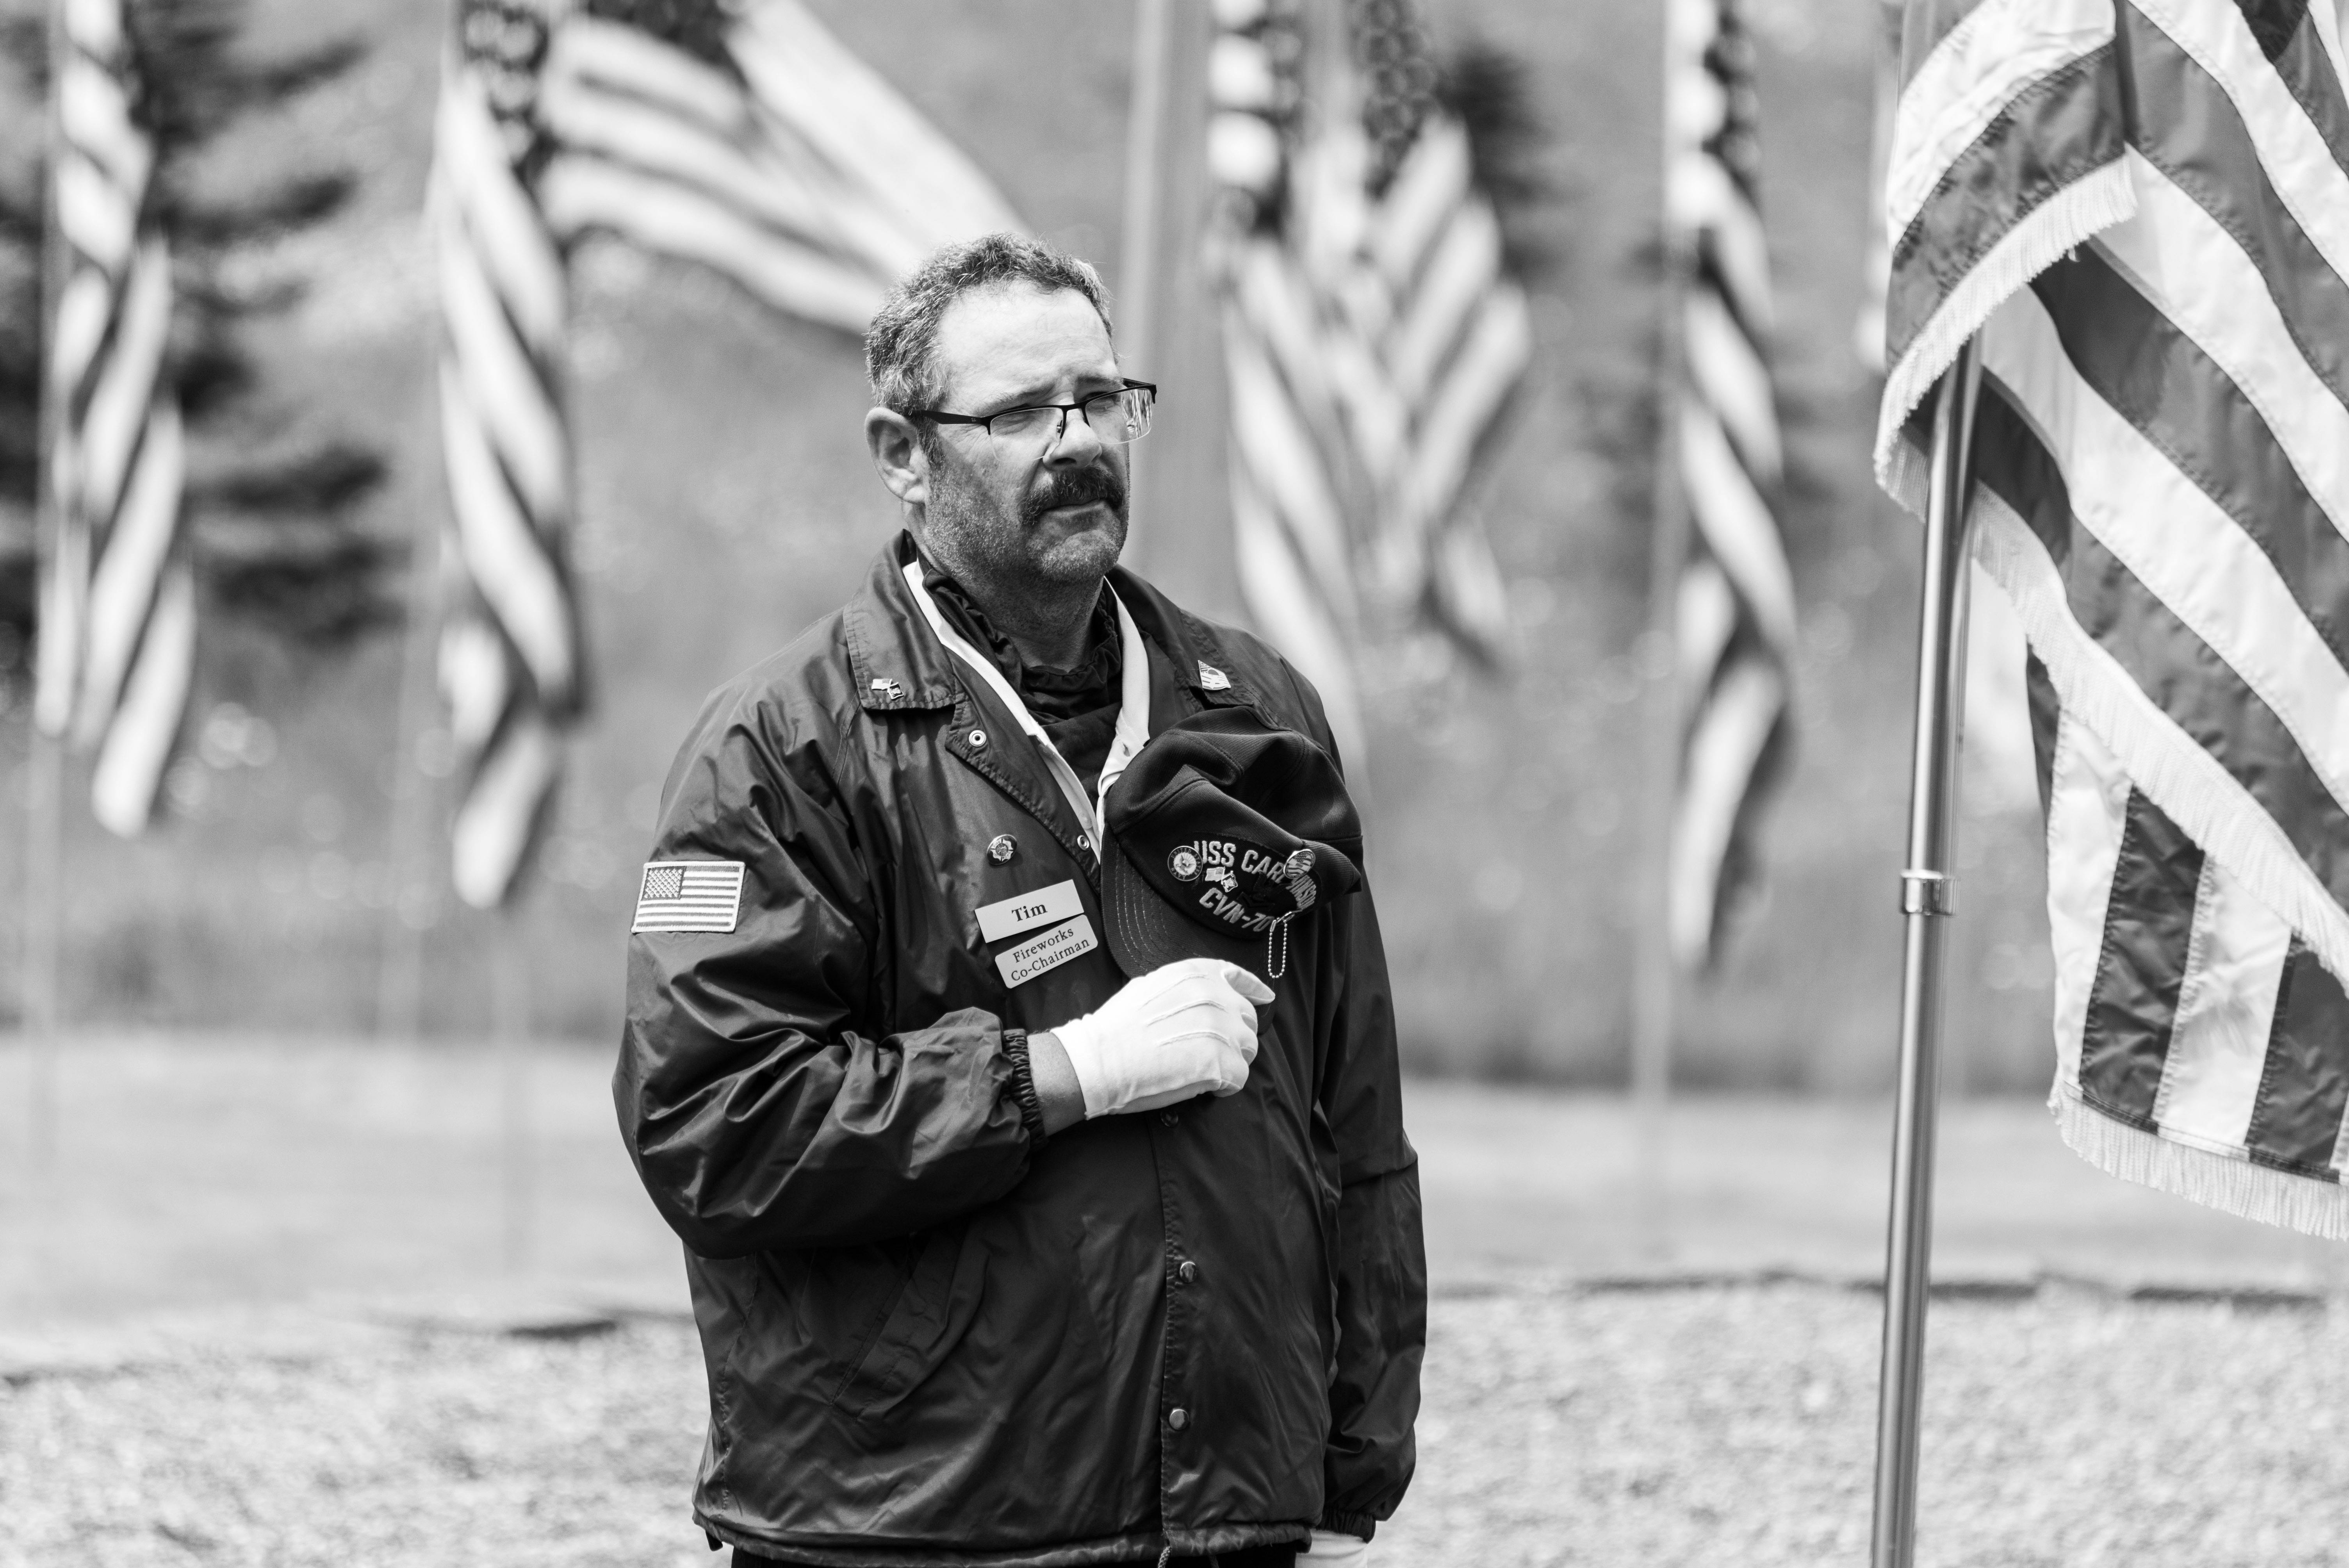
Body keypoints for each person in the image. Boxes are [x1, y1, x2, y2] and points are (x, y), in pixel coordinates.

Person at [616, 233, 1424, 1568]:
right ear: (902, 452)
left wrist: (1349, 1474)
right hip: (914, 1525)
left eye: (1102, 400)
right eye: (1017, 413)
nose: (1079, 441)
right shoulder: (774, 748)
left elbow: (1358, 1116)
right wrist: (1060, 1074)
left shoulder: (1259, 715)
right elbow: (710, 1125)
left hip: (1231, 1520)